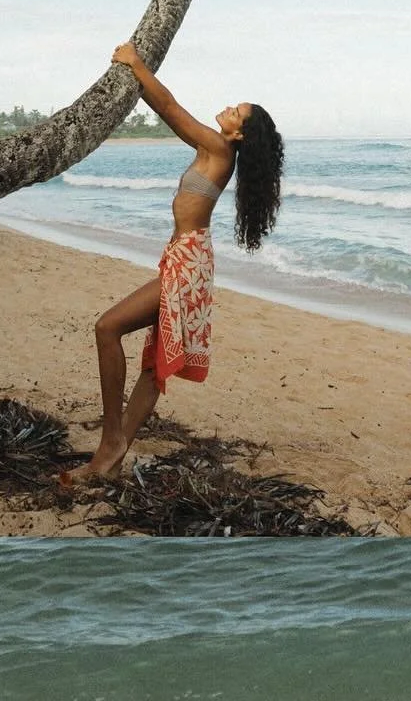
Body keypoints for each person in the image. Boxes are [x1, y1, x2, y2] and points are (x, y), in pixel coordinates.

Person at [62, 40, 285, 484]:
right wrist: (137, 78)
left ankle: (111, 439)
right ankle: (110, 460)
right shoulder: (214, 151)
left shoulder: (219, 150)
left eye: (235, 112)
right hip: (187, 259)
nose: (226, 110)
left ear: (239, 134)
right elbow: (165, 106)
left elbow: (169, 107)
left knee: (108, 328)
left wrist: (135, 62)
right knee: (153, 362)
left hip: (187, 264)